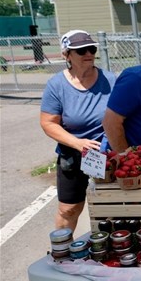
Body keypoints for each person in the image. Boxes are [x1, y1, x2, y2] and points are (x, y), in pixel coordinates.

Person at [40, 30, 116, 231]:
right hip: (73, 153)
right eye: (81, 50)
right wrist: (78, 143)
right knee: (69, 209)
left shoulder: (110, 80)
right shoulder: (57, 85)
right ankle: (62, 252)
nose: (88, 54)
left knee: (113, 207)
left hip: (106, 153)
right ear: (67, 55)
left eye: (91, 48)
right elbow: (48, 123)